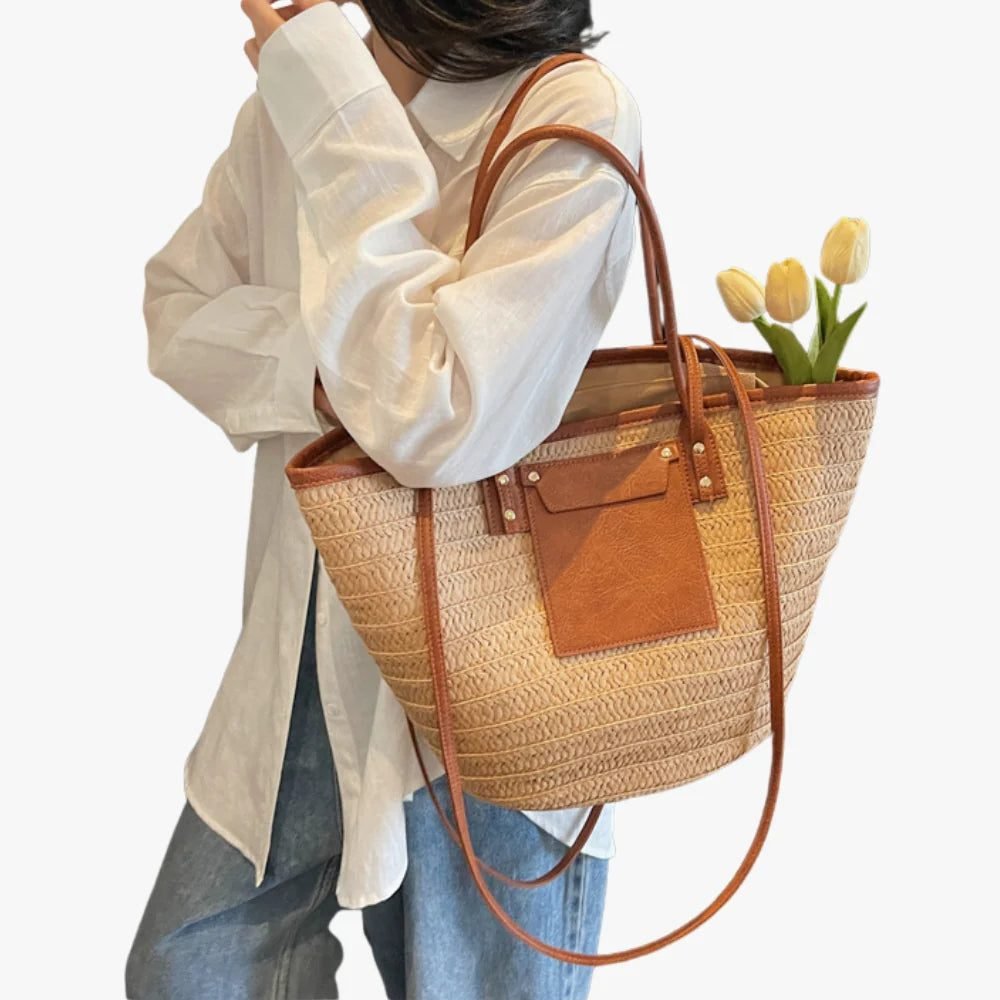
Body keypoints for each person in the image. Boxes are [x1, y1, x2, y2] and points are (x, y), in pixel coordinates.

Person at [125, 1, 641, 997]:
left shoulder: (575, 112)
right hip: (301, 651)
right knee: (192, 965)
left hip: (496, 677)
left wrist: (340, 116)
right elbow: (178, 310)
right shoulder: (296, 99)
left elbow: (438, 413)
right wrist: (332, 380)